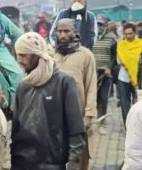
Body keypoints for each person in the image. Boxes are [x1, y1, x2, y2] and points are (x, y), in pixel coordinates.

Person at [11, 32, 86, 170]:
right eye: (17, 55)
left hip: (52, 163)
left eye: (23, 55)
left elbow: (76, 129)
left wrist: (73, 165)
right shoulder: (23, 85)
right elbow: (15, 128)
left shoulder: (64, 82)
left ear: (37, 55)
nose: (19, 60)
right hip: (22, 163)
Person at [53, 18, 97, 170]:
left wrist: (89, 114)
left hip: (78, 113)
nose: (63, 35)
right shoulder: (50, 54)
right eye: (60, 31)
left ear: (75, 32)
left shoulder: (86, 55)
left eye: (67, 31)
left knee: (79, 155)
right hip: (54, 114)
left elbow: (91, 85)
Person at [116, 23, 142, 127]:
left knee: (139, 104)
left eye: (130, 33)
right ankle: (128, 127)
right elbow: (121, 61)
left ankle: (139, 127)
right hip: (124, 78)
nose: (128, 36)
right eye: (126, 34)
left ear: (135, 32)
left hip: (140, 79)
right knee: (125, 105)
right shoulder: (121, 45)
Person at [92, 15, 117, 135]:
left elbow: (114, 56)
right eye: (97, 24)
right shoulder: (90, 37)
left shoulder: (111, 38)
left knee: (103, 98)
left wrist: (109, 68)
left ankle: (102, 123)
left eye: (101, 24)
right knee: (92, 99)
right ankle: (91, 123)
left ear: (106, 26)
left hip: (105, 73)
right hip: (92, 73)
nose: (99, 27)